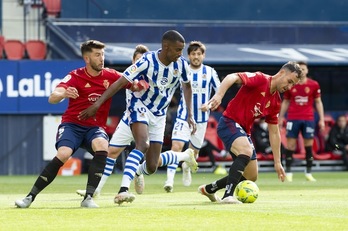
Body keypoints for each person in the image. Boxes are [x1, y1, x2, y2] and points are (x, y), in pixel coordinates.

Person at [14, 40, 147, 208]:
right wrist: (63, 93)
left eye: (103, 55)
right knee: (63, 154)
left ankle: (88, 198)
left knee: (102, 146)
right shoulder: (75, 76)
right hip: (72, 125)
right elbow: (53, 97)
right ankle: (29, 197)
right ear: (87, 58)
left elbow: (134, 85)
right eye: (97, 55)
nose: (102, 59)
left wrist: (141, 84)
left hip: (94, 128)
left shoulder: (111, 75)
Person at [78, 30, 198, 205]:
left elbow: (187, 86)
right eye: (178, 50)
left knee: (152, 166)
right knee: (140, 145)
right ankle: (122, 190)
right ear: (166, 47)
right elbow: (119, 83)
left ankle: (178, 158)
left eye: (182, 50)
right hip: (139, 108)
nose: (180, 54)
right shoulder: (147, 61)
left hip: (159, 115)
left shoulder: (181, 65)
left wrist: (190, 113)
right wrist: (97, 104)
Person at [198, 61, 302, 204]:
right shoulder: (260, 79)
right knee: (245, 151)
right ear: (282, 73)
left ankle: (209, 189)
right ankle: (227, 196)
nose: (289, 87)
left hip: (244, 131)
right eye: (289, 81)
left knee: (251, 176)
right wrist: (219, 95)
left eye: (293, 85)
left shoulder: (276, 101)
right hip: (229, 122)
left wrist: (278, 162)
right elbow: (232, 77)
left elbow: (274, 132)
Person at [76, 44, 150, 198]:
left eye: (143, 60)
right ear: (133, 61)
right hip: (128, 118)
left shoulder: (153, 76)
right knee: (111, 153)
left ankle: (137, 172)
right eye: (137, 60)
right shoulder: (127, 75)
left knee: (151, 163)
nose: (140, 62)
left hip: (146, 120)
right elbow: (118, 85)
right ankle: (97, 189)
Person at [163, 41, 221, 192]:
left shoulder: (210, 72)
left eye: (198, 54)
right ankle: (169, 180)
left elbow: (219, 92)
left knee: (193, 153)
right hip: (183, 116)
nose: (196, 57)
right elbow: (169, 87)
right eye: (193, 54)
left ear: (203, 55)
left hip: (201, 120)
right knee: (176, 147)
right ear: (188, 56)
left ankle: (186, 168)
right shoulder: (183, 70)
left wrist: (209, 105)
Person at [279, 61, 325, 182]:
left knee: (308, 146)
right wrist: (280, 117)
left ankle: (308, 172)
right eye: (300, 69)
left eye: (304, 69)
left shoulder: (314, 84)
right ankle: (288, 172)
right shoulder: (291, 84)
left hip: (308, 118)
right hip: (293, 118)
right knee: (290, 145)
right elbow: (286, 102)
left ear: (307, 70)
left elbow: (318, 102)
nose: (302, 71)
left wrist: (321, 119)